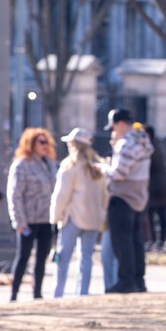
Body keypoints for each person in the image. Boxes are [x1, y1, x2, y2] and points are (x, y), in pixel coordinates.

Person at [50, 127, 108, 298]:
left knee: (63, 256)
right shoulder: (98, 166)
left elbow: (62, 194)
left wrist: (55, 216)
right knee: (86, 257)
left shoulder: (70, 165)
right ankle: (82, 292)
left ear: (74, 143)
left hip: (73, 217)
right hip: (93, 219)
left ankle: (58, 293)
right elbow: (106, 194)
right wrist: (101, 214)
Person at [100, 108, 154, 293]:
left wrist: (103, 167)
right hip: (139, 196)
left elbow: (119, 173)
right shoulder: (143, 139)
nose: (113, 131)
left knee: (122, 241)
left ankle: (126, 280)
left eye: (114, 126)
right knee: (136, 241)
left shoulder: (126, 143)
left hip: (123, 196)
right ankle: (138, 280)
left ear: (121, 123)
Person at [7, 127, 57, 302]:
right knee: (23, 256)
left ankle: (37, 293)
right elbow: (15, 194)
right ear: (31, 144)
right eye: (41, 142)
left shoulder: (49, 163)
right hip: (28, 220)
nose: (45, 145)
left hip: (46, 219)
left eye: (46, 142)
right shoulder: (22, 164)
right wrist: (19, 221)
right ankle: (14, 293)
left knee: (42, 258)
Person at [143, 125, 166, 251]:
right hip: (155, 188)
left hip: (157, 189)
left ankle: (160, 241)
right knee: (152, 216)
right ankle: (155, 240)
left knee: (160, 216)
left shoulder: (151, 148)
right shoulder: (152, 146)